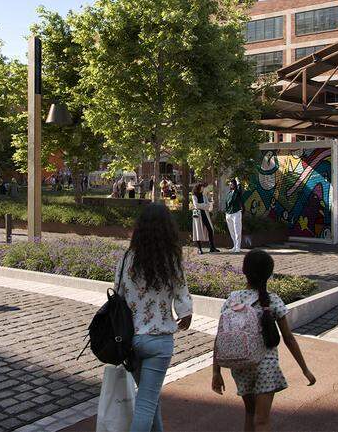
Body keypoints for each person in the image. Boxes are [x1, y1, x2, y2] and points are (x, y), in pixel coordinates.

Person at [212, 250, 315, 432]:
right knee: (262, 420)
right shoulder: (273, 301)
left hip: (240, 365)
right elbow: (289, 338)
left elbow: (221, 336)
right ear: (269, 274)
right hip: (266, 366)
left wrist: (216, 372)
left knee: (250, 414)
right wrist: (304, 369)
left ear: (244, 271)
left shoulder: (232, 299)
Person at [117, 203, 193, 432]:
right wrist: (185, 314)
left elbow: (118, 294)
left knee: (150, 399)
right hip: (159, 340)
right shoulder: (171, 259)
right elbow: (182, 294)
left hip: (131, 339)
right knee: (147, 404)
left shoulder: (127, 258)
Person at [191, 183, 219, 254]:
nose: (203, 189)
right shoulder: (194, 196)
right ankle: (200, 249)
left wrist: (203, 206)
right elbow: (196, 205)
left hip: (205, 214)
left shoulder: (204, 196)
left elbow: (208, 206)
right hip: (197, 215)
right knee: (198, 231)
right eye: (202, 187)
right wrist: (204, 205)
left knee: (210, 229)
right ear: (199, 188)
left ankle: (212, 247)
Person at [224, 178, 244, 253]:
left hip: (236, 213)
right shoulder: (229, 193)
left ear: (235, 184)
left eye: (232, 183)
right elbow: (226, 203)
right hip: (229, 214)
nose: (230, 184)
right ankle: (234, 246)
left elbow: (239, 190)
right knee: (231, 231)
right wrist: (226, 213)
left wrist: (238, 182)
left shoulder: (237, 192)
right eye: (230, 183)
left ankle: (238, 247)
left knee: (237, 230)